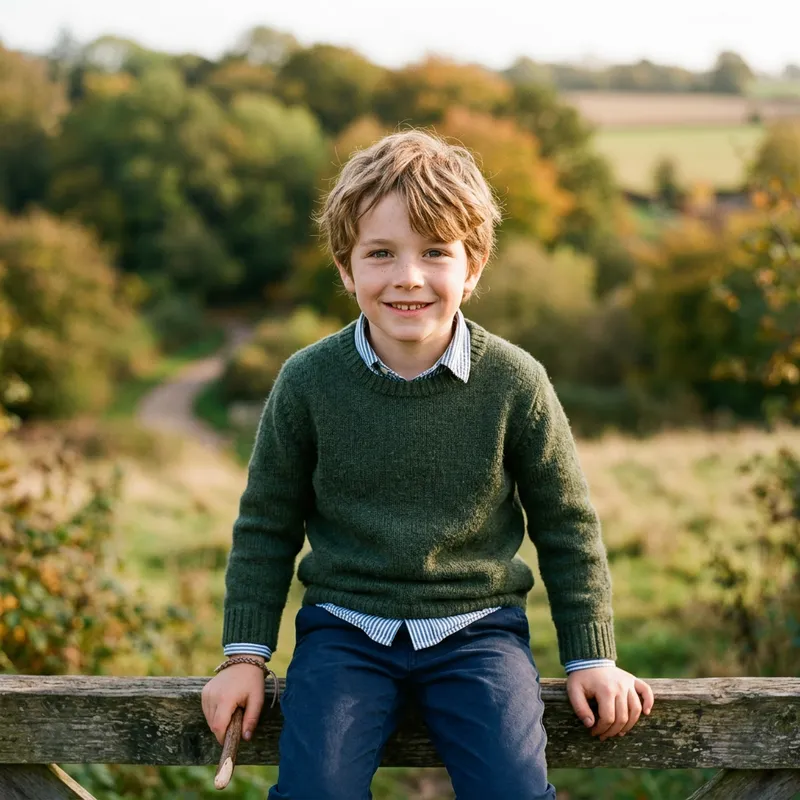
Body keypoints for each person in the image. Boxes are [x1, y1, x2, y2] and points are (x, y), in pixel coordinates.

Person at [201, 129, 655, 799]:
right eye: (381, 253)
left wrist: (594, 657)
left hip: (479, 629)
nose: (408, 276)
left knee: (513, 791)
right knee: (314, 790)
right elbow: (266, 523)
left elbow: (566, 522)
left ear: (472, 269)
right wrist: (244, 656)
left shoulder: (515, 382)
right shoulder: (307, 382)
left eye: (435, 252)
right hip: (345, 629)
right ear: (346, 268)